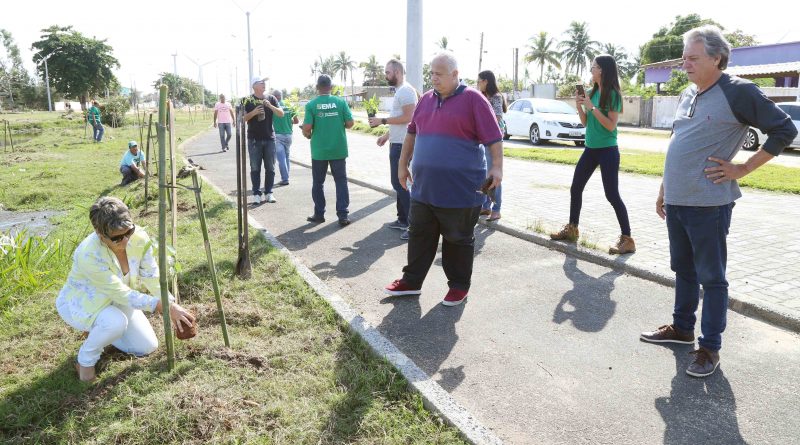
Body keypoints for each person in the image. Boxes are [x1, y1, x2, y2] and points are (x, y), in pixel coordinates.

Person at [640, 25, 797, 378]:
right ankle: (682, 329)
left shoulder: (739, 91)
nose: (685, 64)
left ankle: (709, 347)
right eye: (684, 58)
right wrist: (665, 188)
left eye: (693, 58)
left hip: (709, 204)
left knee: (712, 278)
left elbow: (785, 129)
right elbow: (678, 143)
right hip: (678, 200)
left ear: (717, 58)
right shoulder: (688, 93)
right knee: (683, 269)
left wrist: (743, 168)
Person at [383, 53, 503, 307]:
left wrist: (497, 168)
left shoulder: (474, 99)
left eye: (439, 74)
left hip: (461, 189)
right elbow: (411, 134)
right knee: (419, 235)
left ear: (455, 74)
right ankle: (412, 281)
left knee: (457, 239)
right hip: (424, 188)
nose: (434, 78)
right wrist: (402, 165)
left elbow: (494, 138)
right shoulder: (426, 99)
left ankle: (459, 286)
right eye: (431, 74)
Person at [56, 197, 195, 382]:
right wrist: (161, 306)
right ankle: (85, 362)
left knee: (146, 347)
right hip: (85, 304)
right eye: (117, 238)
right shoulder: (88, 254)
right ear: (100, 234)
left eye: (129, 232)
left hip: (118, 302)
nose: (126, 240)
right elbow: (119, 292)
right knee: (115, 323)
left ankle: (100, 332)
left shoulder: (139, 238)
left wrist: (170, 303)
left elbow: (151, 275)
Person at [550, 54, 635, 255]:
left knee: (612, 194)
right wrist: (580, 106)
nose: (591, 70)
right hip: (590, 149)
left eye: (594, 67)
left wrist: (592, 107)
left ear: (602, 70)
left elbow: (610, 125)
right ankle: (572, 229)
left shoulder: (613, 95)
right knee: (576, 188)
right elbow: (586, 123)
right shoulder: (591, 92)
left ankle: (628, 239)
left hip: (608, 150)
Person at [369, 59, 418, 240]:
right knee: (398, 183)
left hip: (403, 145)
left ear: (397, 72)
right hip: (397, 142)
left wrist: (382, 121)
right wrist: (387, 135)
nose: (386, 76)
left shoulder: (405, 91)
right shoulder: (401, 91)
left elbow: (409, 117)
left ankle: (413, 226)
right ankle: (403, 219)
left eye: (387, 72)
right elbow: (400, 119)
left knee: (401, 183)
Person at [302, 74, 355, 227]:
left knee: (318, 182)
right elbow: (350, 123)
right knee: (341, 181)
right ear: (331, 87)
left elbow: (307, 127)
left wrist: (307, 133)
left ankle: (319, 214)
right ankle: (343, 215)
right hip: (338, 149)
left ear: (317, 88)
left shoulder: (311, 105)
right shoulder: (340, 102)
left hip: (319, 151)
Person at [242, 76, 285, 204]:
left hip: (269, 138)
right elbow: (241, 119)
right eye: (261, 82)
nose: (264, 84)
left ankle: (269, 192)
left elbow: (281, 113)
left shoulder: (271, 98)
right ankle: (256, 193)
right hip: (254, 139)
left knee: (270, 167)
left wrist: (270, 106)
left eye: (264, 82)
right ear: (254, 85)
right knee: (255, 167)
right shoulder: (247, 100)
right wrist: (254, 112)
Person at [476, 70, 506, 222]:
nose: (477, 84)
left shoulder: (496, 97)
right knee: (486, 174)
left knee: (494, 175)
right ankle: (486, 205)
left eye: (479, 81)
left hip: (494, 140)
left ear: (486, 81)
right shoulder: (482, 96)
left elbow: (498, 116)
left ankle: (497, 209)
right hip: (484, 139)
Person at [272, 89, 299, 186]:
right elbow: (296, 121)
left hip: (278, 135)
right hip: (289, 135)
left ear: (274, 97)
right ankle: (286, 177)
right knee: (287, 157)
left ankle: (285, 179)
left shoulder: (273, 107)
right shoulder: (289, 105)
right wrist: (288, 120)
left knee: (281, 159)